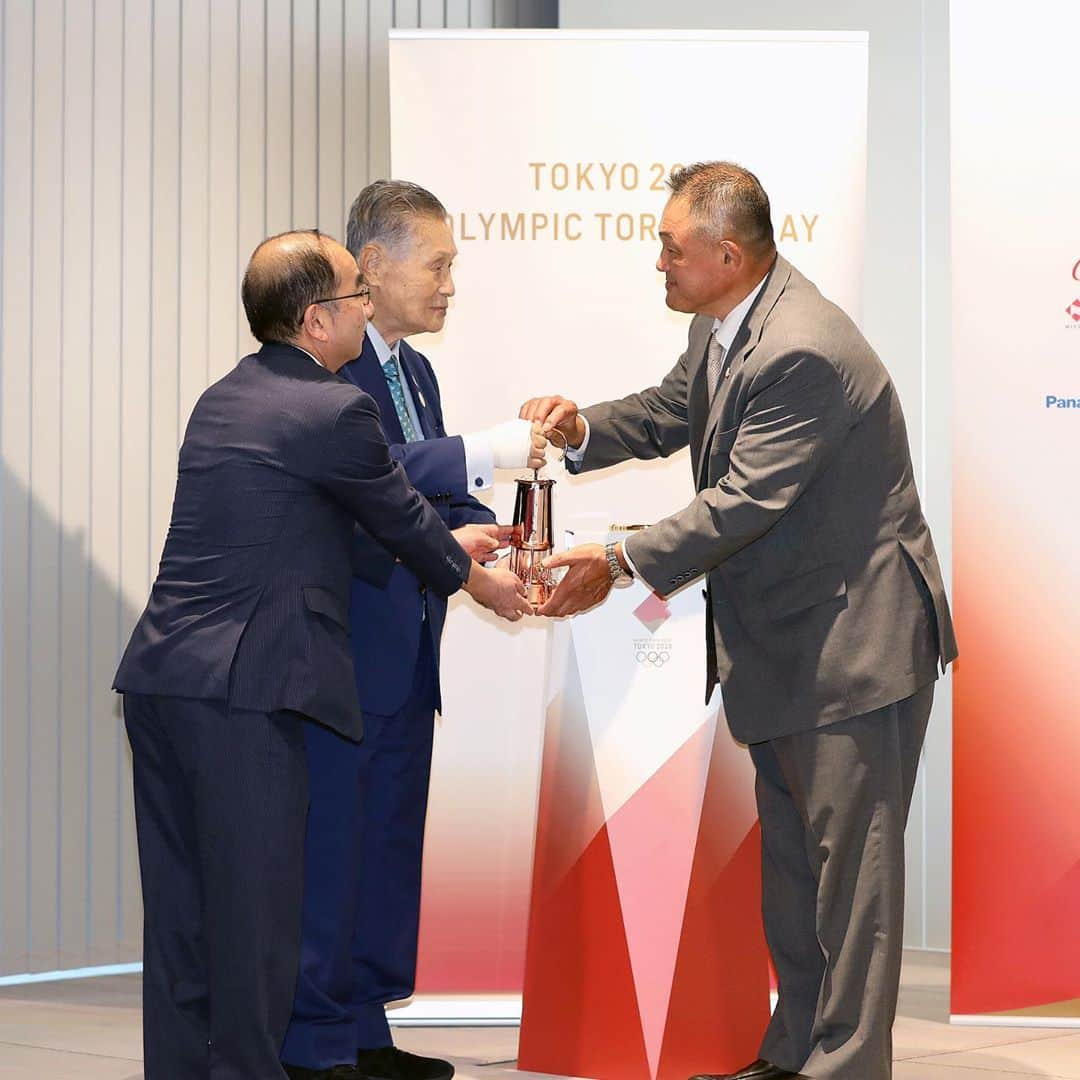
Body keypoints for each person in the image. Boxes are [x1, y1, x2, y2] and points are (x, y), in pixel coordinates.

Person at [520, 162, 957, 1080]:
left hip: (854, 646)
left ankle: (844, 1067)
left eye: (671, 250)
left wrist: (614, 559)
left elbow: (742, 502)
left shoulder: (803, 348)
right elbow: (674, 410)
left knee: (852, 883)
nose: (659, 265)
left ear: (727, 252)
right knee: (795, 870)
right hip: (791, 642)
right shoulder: (723, 322)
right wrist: (579, 429)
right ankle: (793, 1053)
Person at [114, 230, 531, 1080]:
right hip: (246, 694)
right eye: (355, 295)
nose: (368, 306)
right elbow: (400, 517)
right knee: (260, 927)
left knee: (187, 925)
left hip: (163, 681)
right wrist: (478, 580)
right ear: (316, 320)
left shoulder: (226, 395)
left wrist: (450, 545)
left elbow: (338, 517)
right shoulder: (335, 407)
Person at [279, 181, 544, 1080]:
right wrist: (483, 449)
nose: (449, 284)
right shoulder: (326, 366)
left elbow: (429, 503)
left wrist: (500, 542)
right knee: (334, 850)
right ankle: (314, 1045)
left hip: (406, 655)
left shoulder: (415, 371)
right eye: (437, 264)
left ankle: (363, 1032)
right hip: (344, 651)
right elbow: (370, 475)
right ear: (375, 266)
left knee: (386, 846)